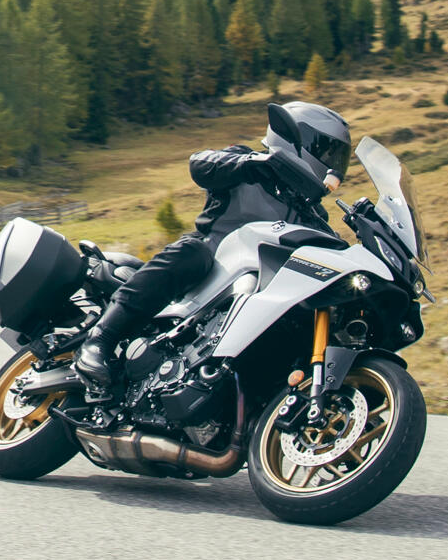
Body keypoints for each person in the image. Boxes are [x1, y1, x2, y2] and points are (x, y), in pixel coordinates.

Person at [75, 101, 354, 390]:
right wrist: (252, 165)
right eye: (328, 152)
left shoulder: (313, 215)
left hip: (260, 291)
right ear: (298, 139)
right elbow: (200, 164)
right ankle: (100, 339)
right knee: (192, 253)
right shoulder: (248, 161)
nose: (334, 164)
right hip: (214, 257)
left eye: (339, 157)